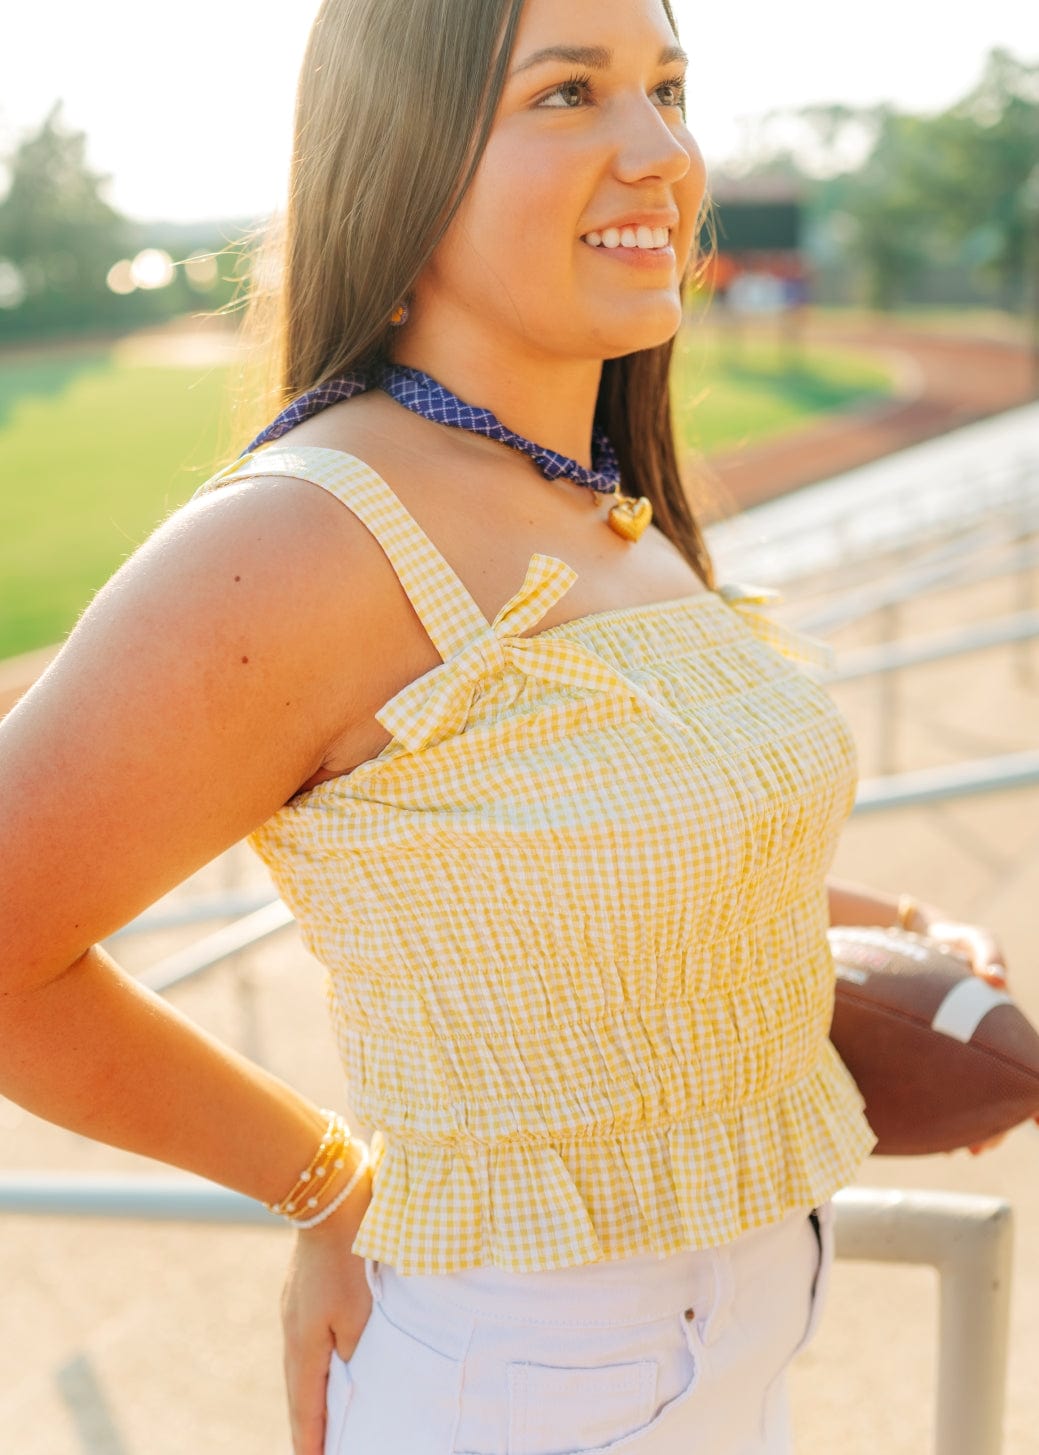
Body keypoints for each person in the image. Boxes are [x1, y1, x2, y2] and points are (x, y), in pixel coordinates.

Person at [0, 2, 1013, 1452]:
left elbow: (606, 832)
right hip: (530, 1376)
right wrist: (327, 1187)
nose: (661, 151)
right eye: (568, 94)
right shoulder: (301, 539)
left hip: (749, 1327)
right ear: (402, 161)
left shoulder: (591, 484)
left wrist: (886, 922)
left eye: (668, 88)